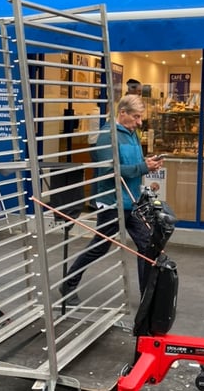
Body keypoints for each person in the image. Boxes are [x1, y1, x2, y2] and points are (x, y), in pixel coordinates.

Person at [61, 94, 165, 304]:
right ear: (123, 113)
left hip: (132, 200)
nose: (139, 122)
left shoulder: (132, 133)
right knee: (100, 246)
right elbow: (111, 170)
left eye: (140, 117)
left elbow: (132, 163)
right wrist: (144, 167)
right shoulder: (107, 136)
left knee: (146, 246)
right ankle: (68, 284)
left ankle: (148, 296)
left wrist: (146, 161)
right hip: (112, 201)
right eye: (136, 117)